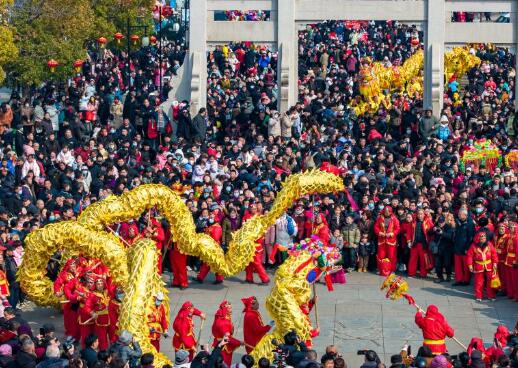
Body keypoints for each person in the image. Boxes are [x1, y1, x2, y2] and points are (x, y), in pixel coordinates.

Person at [467, 232, 499, 301]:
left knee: (490, 281)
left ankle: (491, 295)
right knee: (479, 281)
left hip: (489, 265)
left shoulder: (489, 244)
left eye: (484, 237)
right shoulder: (473, 246)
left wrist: (495, 263)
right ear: (478, 238)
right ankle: (479, 296)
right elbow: (470, 256)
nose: (483, 239)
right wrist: (470, 265)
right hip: (479, 265)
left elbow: (494, 254)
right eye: (482, 237)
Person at [211, 301, 241, 366]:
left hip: (221, 343)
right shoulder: (223, 323)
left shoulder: (223, 317)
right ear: (225, 309)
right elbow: (228, 338)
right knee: (225, 363)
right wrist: (239, 342)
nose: (231, 310)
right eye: (229, 308)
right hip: (224, 347)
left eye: (231, 308)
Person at [407, 209, 434, 278]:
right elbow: (409, 232)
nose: (420, 215)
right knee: (413, 259)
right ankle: (411, 273)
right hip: (415, 244)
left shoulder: (428, 221)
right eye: (418, 214)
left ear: (424, 214)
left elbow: (432, 233)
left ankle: (423, 274)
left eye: (421, 214)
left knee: (423, 260)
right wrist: (409, 241)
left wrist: (430, 242)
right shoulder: (413, 222)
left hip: (423, 244)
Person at [84, 279, 110, 350]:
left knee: (113, 336)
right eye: (98, 283)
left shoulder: (108, 292)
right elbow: (86, 307)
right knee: (102, 338)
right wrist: (92, 313)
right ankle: (103, 353)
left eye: (101, 283)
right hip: (100, 320)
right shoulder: (92, 295)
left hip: (111, 318)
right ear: (95, 285)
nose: (100, 285)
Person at [374, 206, 400, 272]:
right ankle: (380, 269)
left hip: (391, 240)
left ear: (390, 212)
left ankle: (392, 269)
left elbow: (398, 228)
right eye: (385, 211)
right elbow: (376, 227)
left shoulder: (394, 218)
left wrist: (392, 233)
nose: (387, 212)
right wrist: (379, 232)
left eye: (388, 211)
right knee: (380, 255)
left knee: (392, 256)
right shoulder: (380, 218)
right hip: (381, 240)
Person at [453, 209, 475, 286]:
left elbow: (471, 237)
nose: (459, 215)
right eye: (459, 214)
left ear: (465, 215)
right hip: (457, 247)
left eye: (460, 214)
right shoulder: (458, 223)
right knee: (458, 266)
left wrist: (467, 248)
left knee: (466, 266)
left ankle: (466, 280)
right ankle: (459, 280)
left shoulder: (470, 224)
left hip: (465, 248)